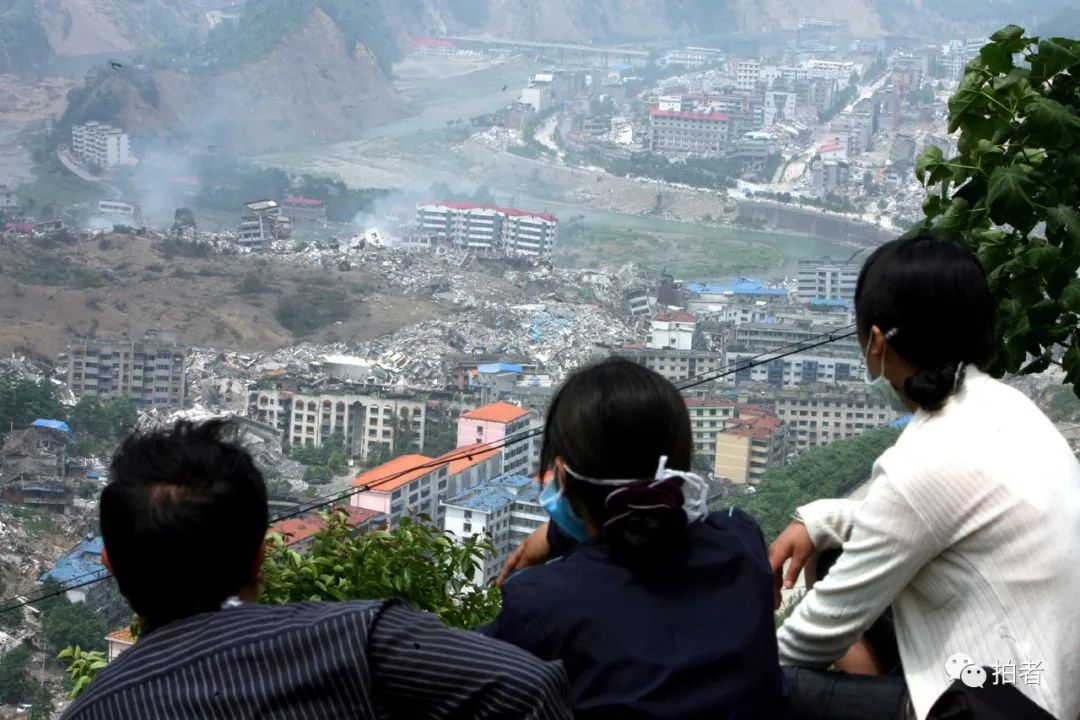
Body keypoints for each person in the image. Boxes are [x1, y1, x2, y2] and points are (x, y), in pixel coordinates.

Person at [63, 419, 574, 720]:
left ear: (109, 564)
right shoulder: (356, 639)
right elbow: (529, 688)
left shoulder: (100, 709)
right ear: (261, 555)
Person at [769, 236, 1080, 720]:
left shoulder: (923, 460)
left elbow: (811, 637)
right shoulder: (1008, 408)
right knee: (830, 551)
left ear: (876, 343)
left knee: (772, 683)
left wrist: (732, 672)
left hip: (999, 707)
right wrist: (819, 519)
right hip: (1044, 682)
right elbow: (922, 521)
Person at [487, 358, 789, 720]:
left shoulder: (542, 602)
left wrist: (560, 536)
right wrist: (558, 536)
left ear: (563, 478)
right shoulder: (739, 540)